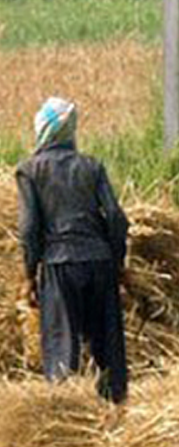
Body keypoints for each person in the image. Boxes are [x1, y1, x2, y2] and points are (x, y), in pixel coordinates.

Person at [16, 97, 129, 403]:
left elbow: (29, 229)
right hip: (99, 261)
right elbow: (117, 218)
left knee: (61, 346)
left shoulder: (29, 171)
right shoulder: (91, 166)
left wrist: (29, 277)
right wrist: (118, 264)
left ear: (43, 130)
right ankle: (115, 412)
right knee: (108, 346)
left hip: (59, 265)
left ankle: (67, 414)